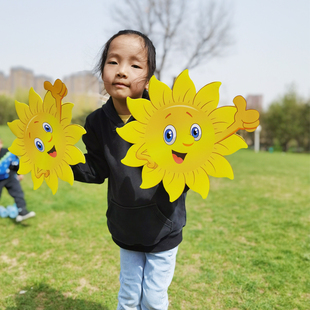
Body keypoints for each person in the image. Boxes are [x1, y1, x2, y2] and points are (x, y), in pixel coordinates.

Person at [72, 30, 187, 310]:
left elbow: (185, 163)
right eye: (113, 62)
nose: (122, 71)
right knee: (128, 296)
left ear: (148, 81)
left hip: (163, 226)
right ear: (102, 71)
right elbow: (96, 169)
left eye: (135, 65)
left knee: (154, 298)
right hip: (125, 225)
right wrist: (62, 161)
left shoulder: (165, 118)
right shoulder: (97, 121)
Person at [0, 138, 36, 223]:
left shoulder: (8, 153)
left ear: (1, 143)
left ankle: (22, 212)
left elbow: (16, 162)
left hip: (10, 176)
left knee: (18, 193)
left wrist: (20, 173)